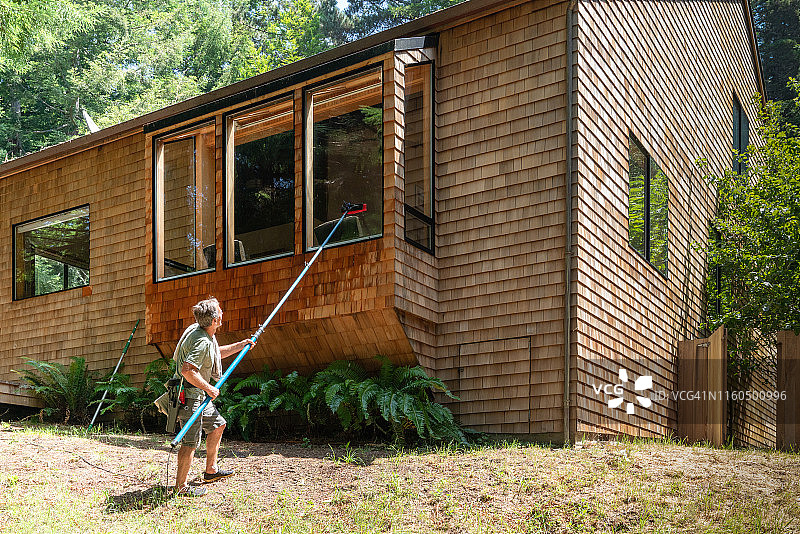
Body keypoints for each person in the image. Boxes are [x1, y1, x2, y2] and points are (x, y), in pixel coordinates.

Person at [173, 297, 255, 497]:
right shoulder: (201, 340)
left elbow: (213, 353)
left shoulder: (200, 331)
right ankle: (180, 487)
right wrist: (209, 388)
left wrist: (241, 345)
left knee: (218, 425)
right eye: (220, 311)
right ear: (214, 320)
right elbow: (188, 370)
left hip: (196, 393)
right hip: (190, 395)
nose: (222, 313)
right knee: (190, 441)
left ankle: (211, 470)